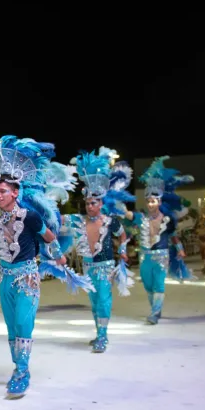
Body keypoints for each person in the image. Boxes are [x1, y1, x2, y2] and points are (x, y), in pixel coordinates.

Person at [0, 135, 74, 398]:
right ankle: (18, 366)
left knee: (23, 323)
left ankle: (22, 371)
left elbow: (49, 236)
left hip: (27, 278)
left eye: (3, 191)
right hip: (5, 279)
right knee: (12, 327)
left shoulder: (30, 216)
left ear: (15, 192)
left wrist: (58, 257)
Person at [66, 148, 134, 352]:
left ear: (101, 203)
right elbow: (59, 219)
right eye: (87, 203)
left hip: (105, 267)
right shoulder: (79, 221)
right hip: (88, 267)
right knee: (95, 302)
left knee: (104, 300)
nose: (89, 206)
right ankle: (99, 333)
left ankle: (103, 337)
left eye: (93, 202)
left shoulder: (110, 221)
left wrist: (123, 250)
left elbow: (123, 235)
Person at [122, 157, 193, 325]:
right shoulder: (141, 218)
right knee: (148, 285)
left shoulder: (167, 219)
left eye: (153, 201)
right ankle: (155, 309)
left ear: (159, 202)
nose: (150, 204)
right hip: (145, 256)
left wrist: (180, 249)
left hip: (161, 256)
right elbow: (128, 215)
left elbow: (173, 235)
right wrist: (118, 204)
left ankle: (154, 313)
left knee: (159, 285)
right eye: (148, 201)